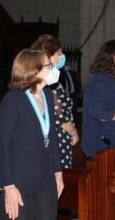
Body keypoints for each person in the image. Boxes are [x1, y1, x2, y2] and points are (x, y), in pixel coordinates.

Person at [0, 49, 64, 220]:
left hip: (46, 179)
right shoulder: (13, 100)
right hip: (20, 182)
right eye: (49, 65)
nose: (53, 69)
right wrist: (9, 186)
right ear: (35, 70)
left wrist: (58, 172)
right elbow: (4, 145)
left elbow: (52, 136)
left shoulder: (47, 95)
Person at [30, 34, 79, 169]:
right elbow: (58, 114)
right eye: (59, 53)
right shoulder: (47, 83)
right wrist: (73, 131)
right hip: (57, 137)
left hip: (61, 137)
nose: (62, 56)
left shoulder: (53, 80)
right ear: (48, 56)